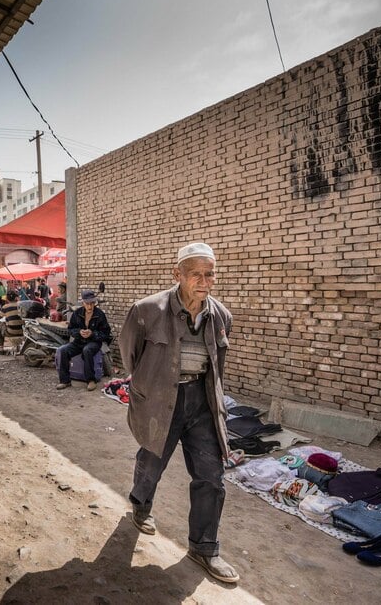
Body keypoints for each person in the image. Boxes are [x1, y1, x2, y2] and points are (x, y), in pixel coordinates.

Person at [118, 242, 239, 584]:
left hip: (201, 403)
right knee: (152, 460)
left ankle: (204, 547)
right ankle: (141, 506)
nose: (204, 281)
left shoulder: (221, 316)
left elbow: (217, 367)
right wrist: (149, 387)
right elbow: (130, 355)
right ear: (178, 275)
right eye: (196, 274)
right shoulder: (147, 310)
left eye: (210, 274)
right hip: (160, 399)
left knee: (211, 477)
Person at [56, 289, 111, 391]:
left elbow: (106, 333)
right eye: (87, 304)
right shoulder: (77, 313)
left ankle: (91, 380)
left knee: (87, 350)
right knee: (63, 350)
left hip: (94, 342)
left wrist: (92, 334)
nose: (90, 306)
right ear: (83, 303)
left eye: (92, 303)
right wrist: (79, 332)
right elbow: (71, 329)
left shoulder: (100, 314)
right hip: (79, 342)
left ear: (94, 303)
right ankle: (65, 380)